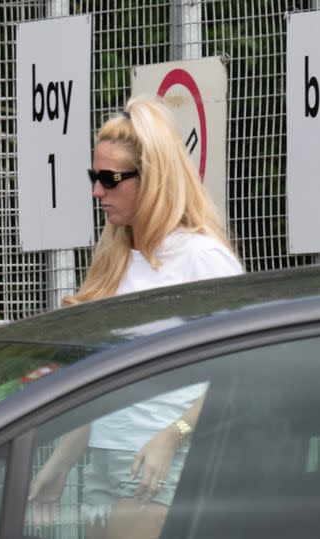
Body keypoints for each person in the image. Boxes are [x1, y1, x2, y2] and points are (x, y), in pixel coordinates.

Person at [28, 96, 243, 539]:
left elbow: (238, 371)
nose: (96, 191)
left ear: (154, 179)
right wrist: (61, 462)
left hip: (158, 465)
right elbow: (113, 380)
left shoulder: (201, 258)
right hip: (106, 462)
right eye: (94, 177)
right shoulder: (116, 258)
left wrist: (172, 437)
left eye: (109, 179)